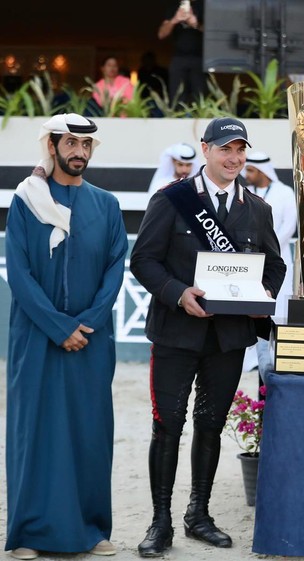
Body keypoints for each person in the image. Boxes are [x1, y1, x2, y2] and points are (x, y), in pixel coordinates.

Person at [130, 117, 286, 557]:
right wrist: (178, 294)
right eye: (225, 149)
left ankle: (199, 513)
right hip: (176, 333)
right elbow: (143, 260)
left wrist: (260, 296)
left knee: (211, 425)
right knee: (168, 426)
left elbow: (274, 267)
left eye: (240, 150)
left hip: (228, 338)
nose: (234, 158)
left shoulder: (258, 208)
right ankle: (160, 521)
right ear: (205, 149)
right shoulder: (172, 200)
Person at [5, 114, 129, 560]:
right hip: (35, 338)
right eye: (71, 143)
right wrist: (59, 327)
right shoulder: (26, 200)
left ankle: (93, 530)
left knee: (89, 432)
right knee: (34, 432)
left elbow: (116, 267)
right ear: (53, 145)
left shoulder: (106, 205)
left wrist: (87, 323)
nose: (79, 151)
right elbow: (19, 274)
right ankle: (30, 533)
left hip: (92, 340)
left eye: (86, 144)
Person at [240, 151, 297, 374]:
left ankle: (274, 356)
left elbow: (288, 227)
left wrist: (267, 250)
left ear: (262, 171)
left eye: (251, 170)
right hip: (249, 263)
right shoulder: (244, 192)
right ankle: (250, 358)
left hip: (277, 260)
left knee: (277, 305)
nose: (247, 174)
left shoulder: (284, 193)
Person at [158, 0, 206, 106]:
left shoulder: (202, 6)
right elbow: (161, 34)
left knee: (200, 98)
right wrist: (175, 20)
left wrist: (195, 24)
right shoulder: (173, 7)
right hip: (178, 58)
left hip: (199, 58)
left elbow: (214, 32)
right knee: (176, 97)